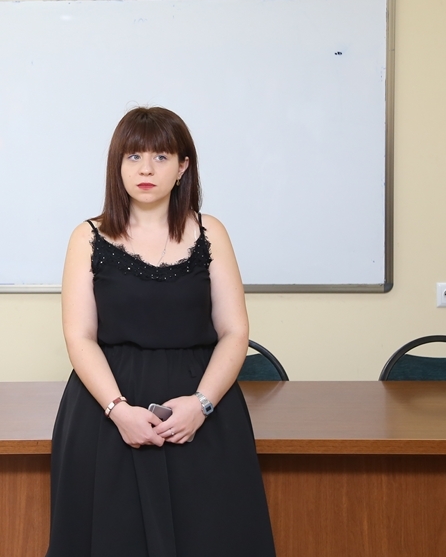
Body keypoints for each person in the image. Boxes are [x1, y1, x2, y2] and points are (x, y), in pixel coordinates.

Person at [46, 107, 276, 557]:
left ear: (183, 166)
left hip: (204, 413)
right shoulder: (87, 237)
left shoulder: (211, 232)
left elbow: (235, 331)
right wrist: (118, 411)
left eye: (161, 157)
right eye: (133, 156)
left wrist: (201, 405)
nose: (146, 169)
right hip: (107, 415)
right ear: (117, 165)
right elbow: (79, 336)